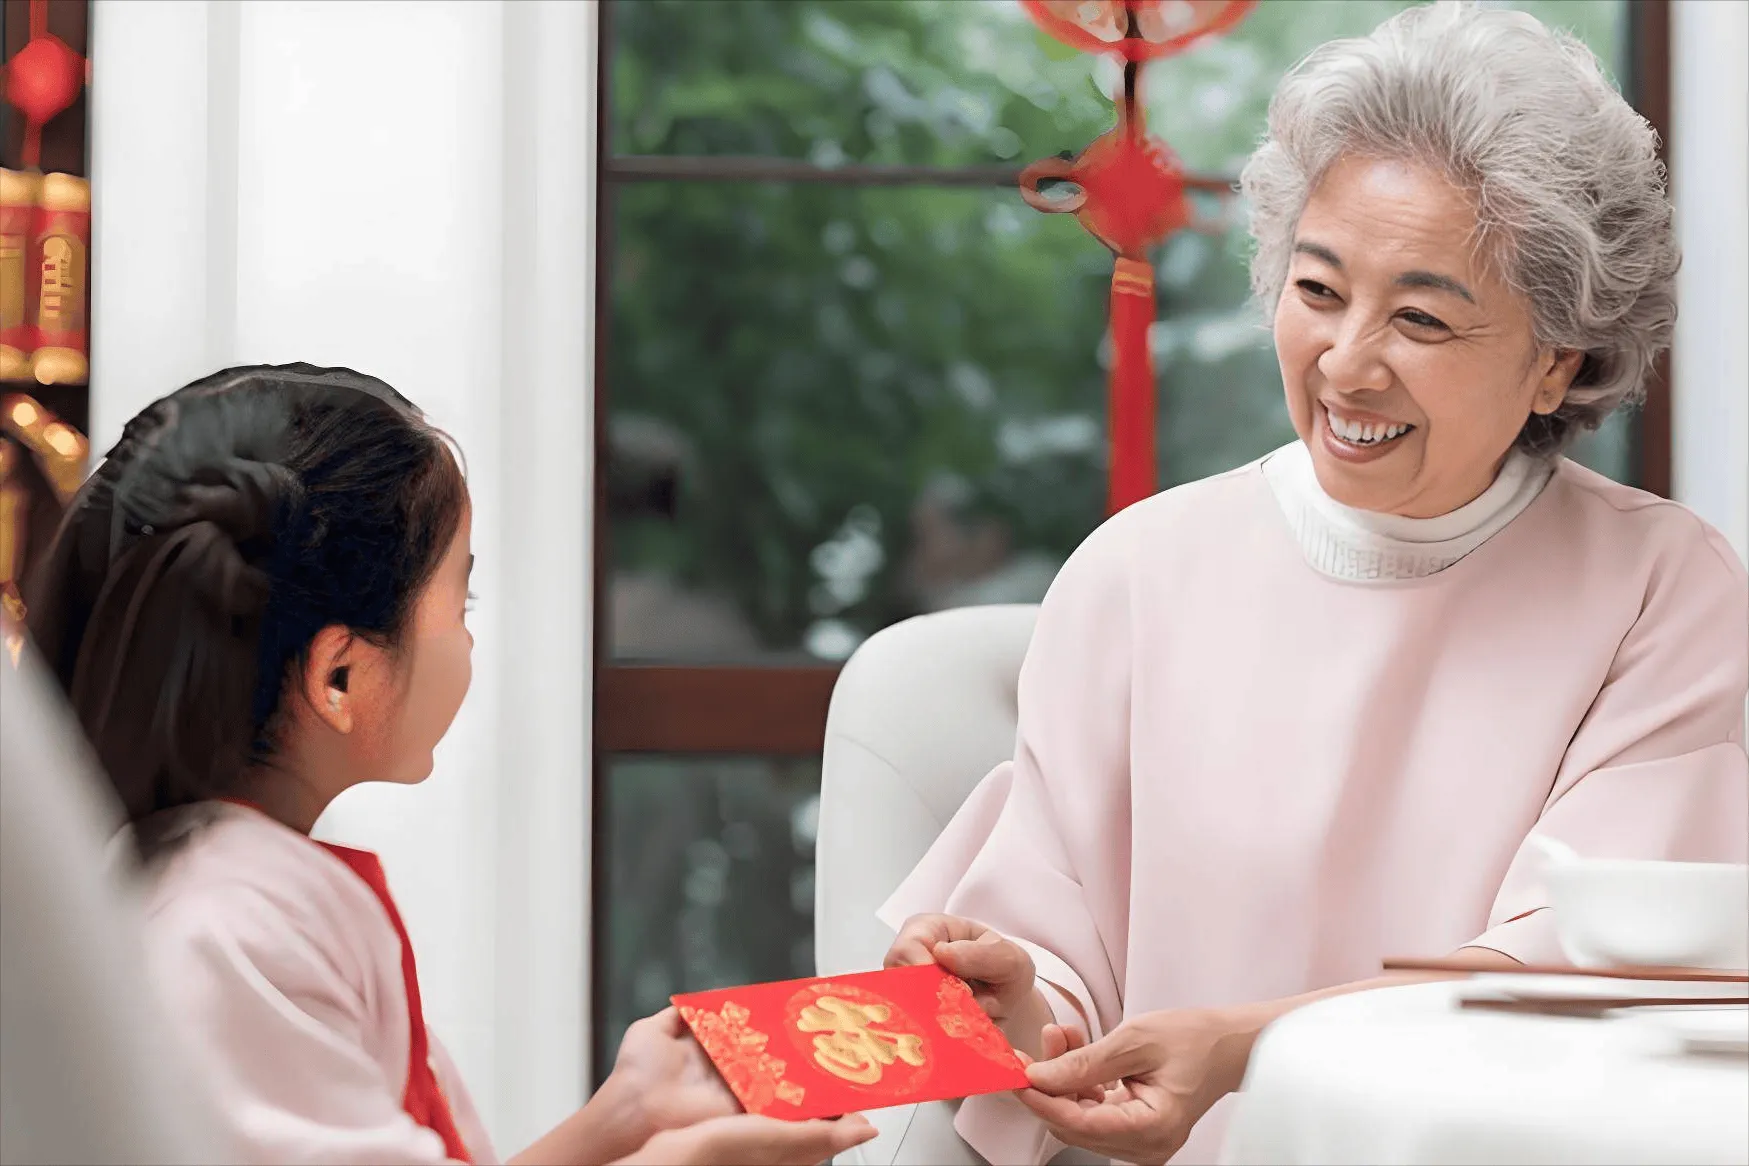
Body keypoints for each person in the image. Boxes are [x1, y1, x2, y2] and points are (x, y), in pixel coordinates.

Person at [878, 5, 1749, 1164]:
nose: (1347, 364)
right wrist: (1013, 1007)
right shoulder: (1139, 572)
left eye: (1423, 317)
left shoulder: (1663, 589)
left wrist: (1245, 1048)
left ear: (1559, 361)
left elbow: (1581, 979)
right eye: (1320, 289)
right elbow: (1057, 978)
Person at [24, 364, 876, 1166]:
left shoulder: (225, 885)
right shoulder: (234, 929)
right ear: (340, 675)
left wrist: (625, 1116)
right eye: (457, 600)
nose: (467, 638)